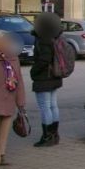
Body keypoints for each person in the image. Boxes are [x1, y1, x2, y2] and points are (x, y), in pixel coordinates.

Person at [30, 12, 64, 147]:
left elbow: (44, 59)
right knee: (53, 105)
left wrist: (34, 71)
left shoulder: (43, 39)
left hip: (44, 77)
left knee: (45, 107)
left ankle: (47, 136)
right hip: (54, 76)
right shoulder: (55, 37)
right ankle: (54, 134)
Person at [0, 31, 25, 169]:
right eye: (4, 40)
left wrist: (21, 102)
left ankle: (1, 155)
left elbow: (19, 80)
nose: (7, 43)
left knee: (3, 131)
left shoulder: (13, 58)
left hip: (8, 100)